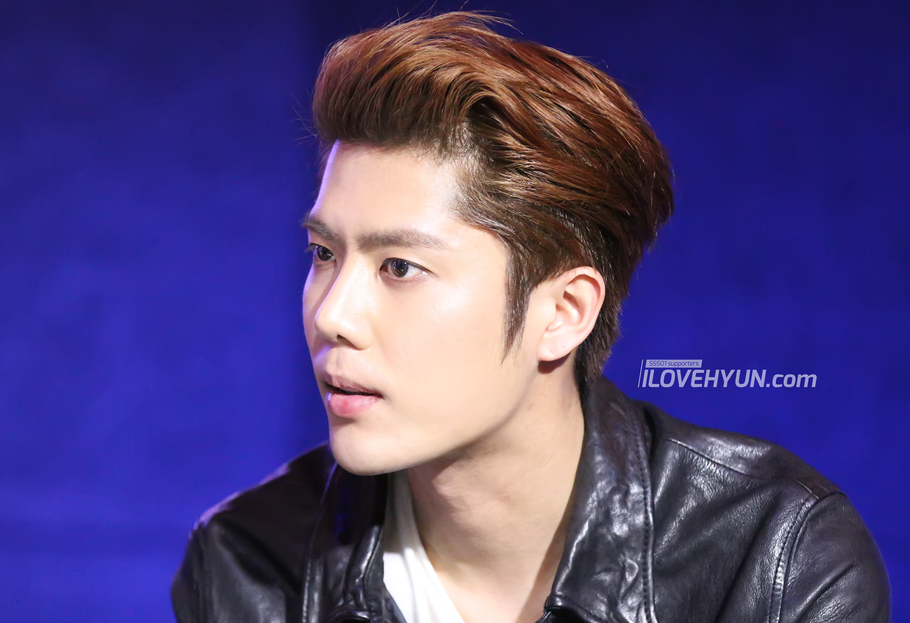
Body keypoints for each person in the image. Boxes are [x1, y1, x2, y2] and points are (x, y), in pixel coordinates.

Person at [170, 11, 890, 623]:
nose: (333, 314)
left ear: (564, 312)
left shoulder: (774, 555)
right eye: (324, 253)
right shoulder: (249, 565)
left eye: (400, 267)